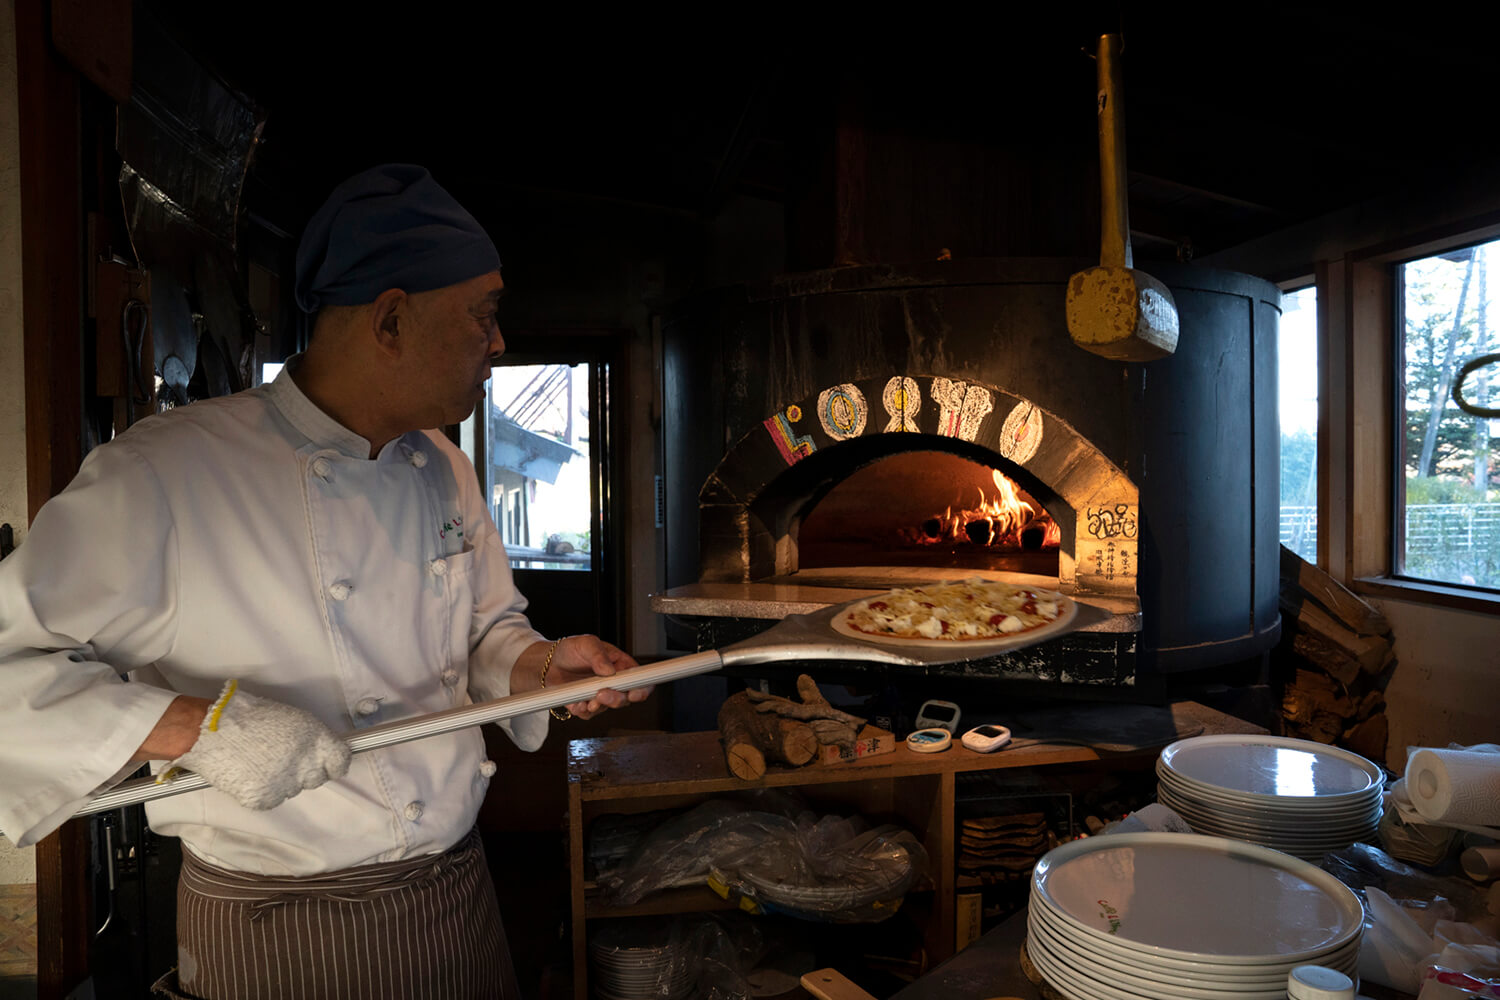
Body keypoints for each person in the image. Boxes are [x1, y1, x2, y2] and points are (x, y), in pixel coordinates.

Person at [0, 163, 650, 999]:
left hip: (456, 896)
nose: (498, 341)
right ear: (389, 320)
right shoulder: (168, 476)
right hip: (275, 923)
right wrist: (200, 728)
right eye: (483, 315)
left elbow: (486, 632)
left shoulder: (442, 465)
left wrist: (539, 669)